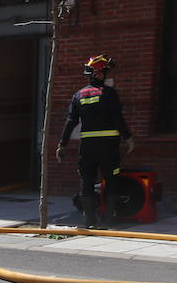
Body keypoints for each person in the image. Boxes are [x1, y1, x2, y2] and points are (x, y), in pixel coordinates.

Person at [57, 54, 133, 229]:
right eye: (104, 71)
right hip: (108, 146)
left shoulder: (78, 95)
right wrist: (128, 137)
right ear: (100, 73)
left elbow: (70, 122)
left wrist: (62, 144)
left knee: (87, 182)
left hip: (87, 147)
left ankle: (89, 221)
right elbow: (117, 118)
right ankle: (109, 220)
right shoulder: (109, 94)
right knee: (111, 181)